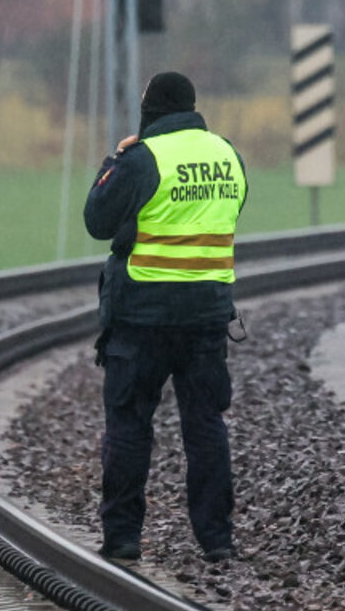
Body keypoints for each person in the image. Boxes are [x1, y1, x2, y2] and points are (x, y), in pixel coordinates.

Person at [83, 71, 247, 564]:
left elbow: (97, 221)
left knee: (130, 425)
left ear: (150, 112)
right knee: (205, 426)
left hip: (141, 319)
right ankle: (217, 540)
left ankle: (123, 540)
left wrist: (116, 159)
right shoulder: (228, 156)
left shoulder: (141, 159)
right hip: (205, 319)